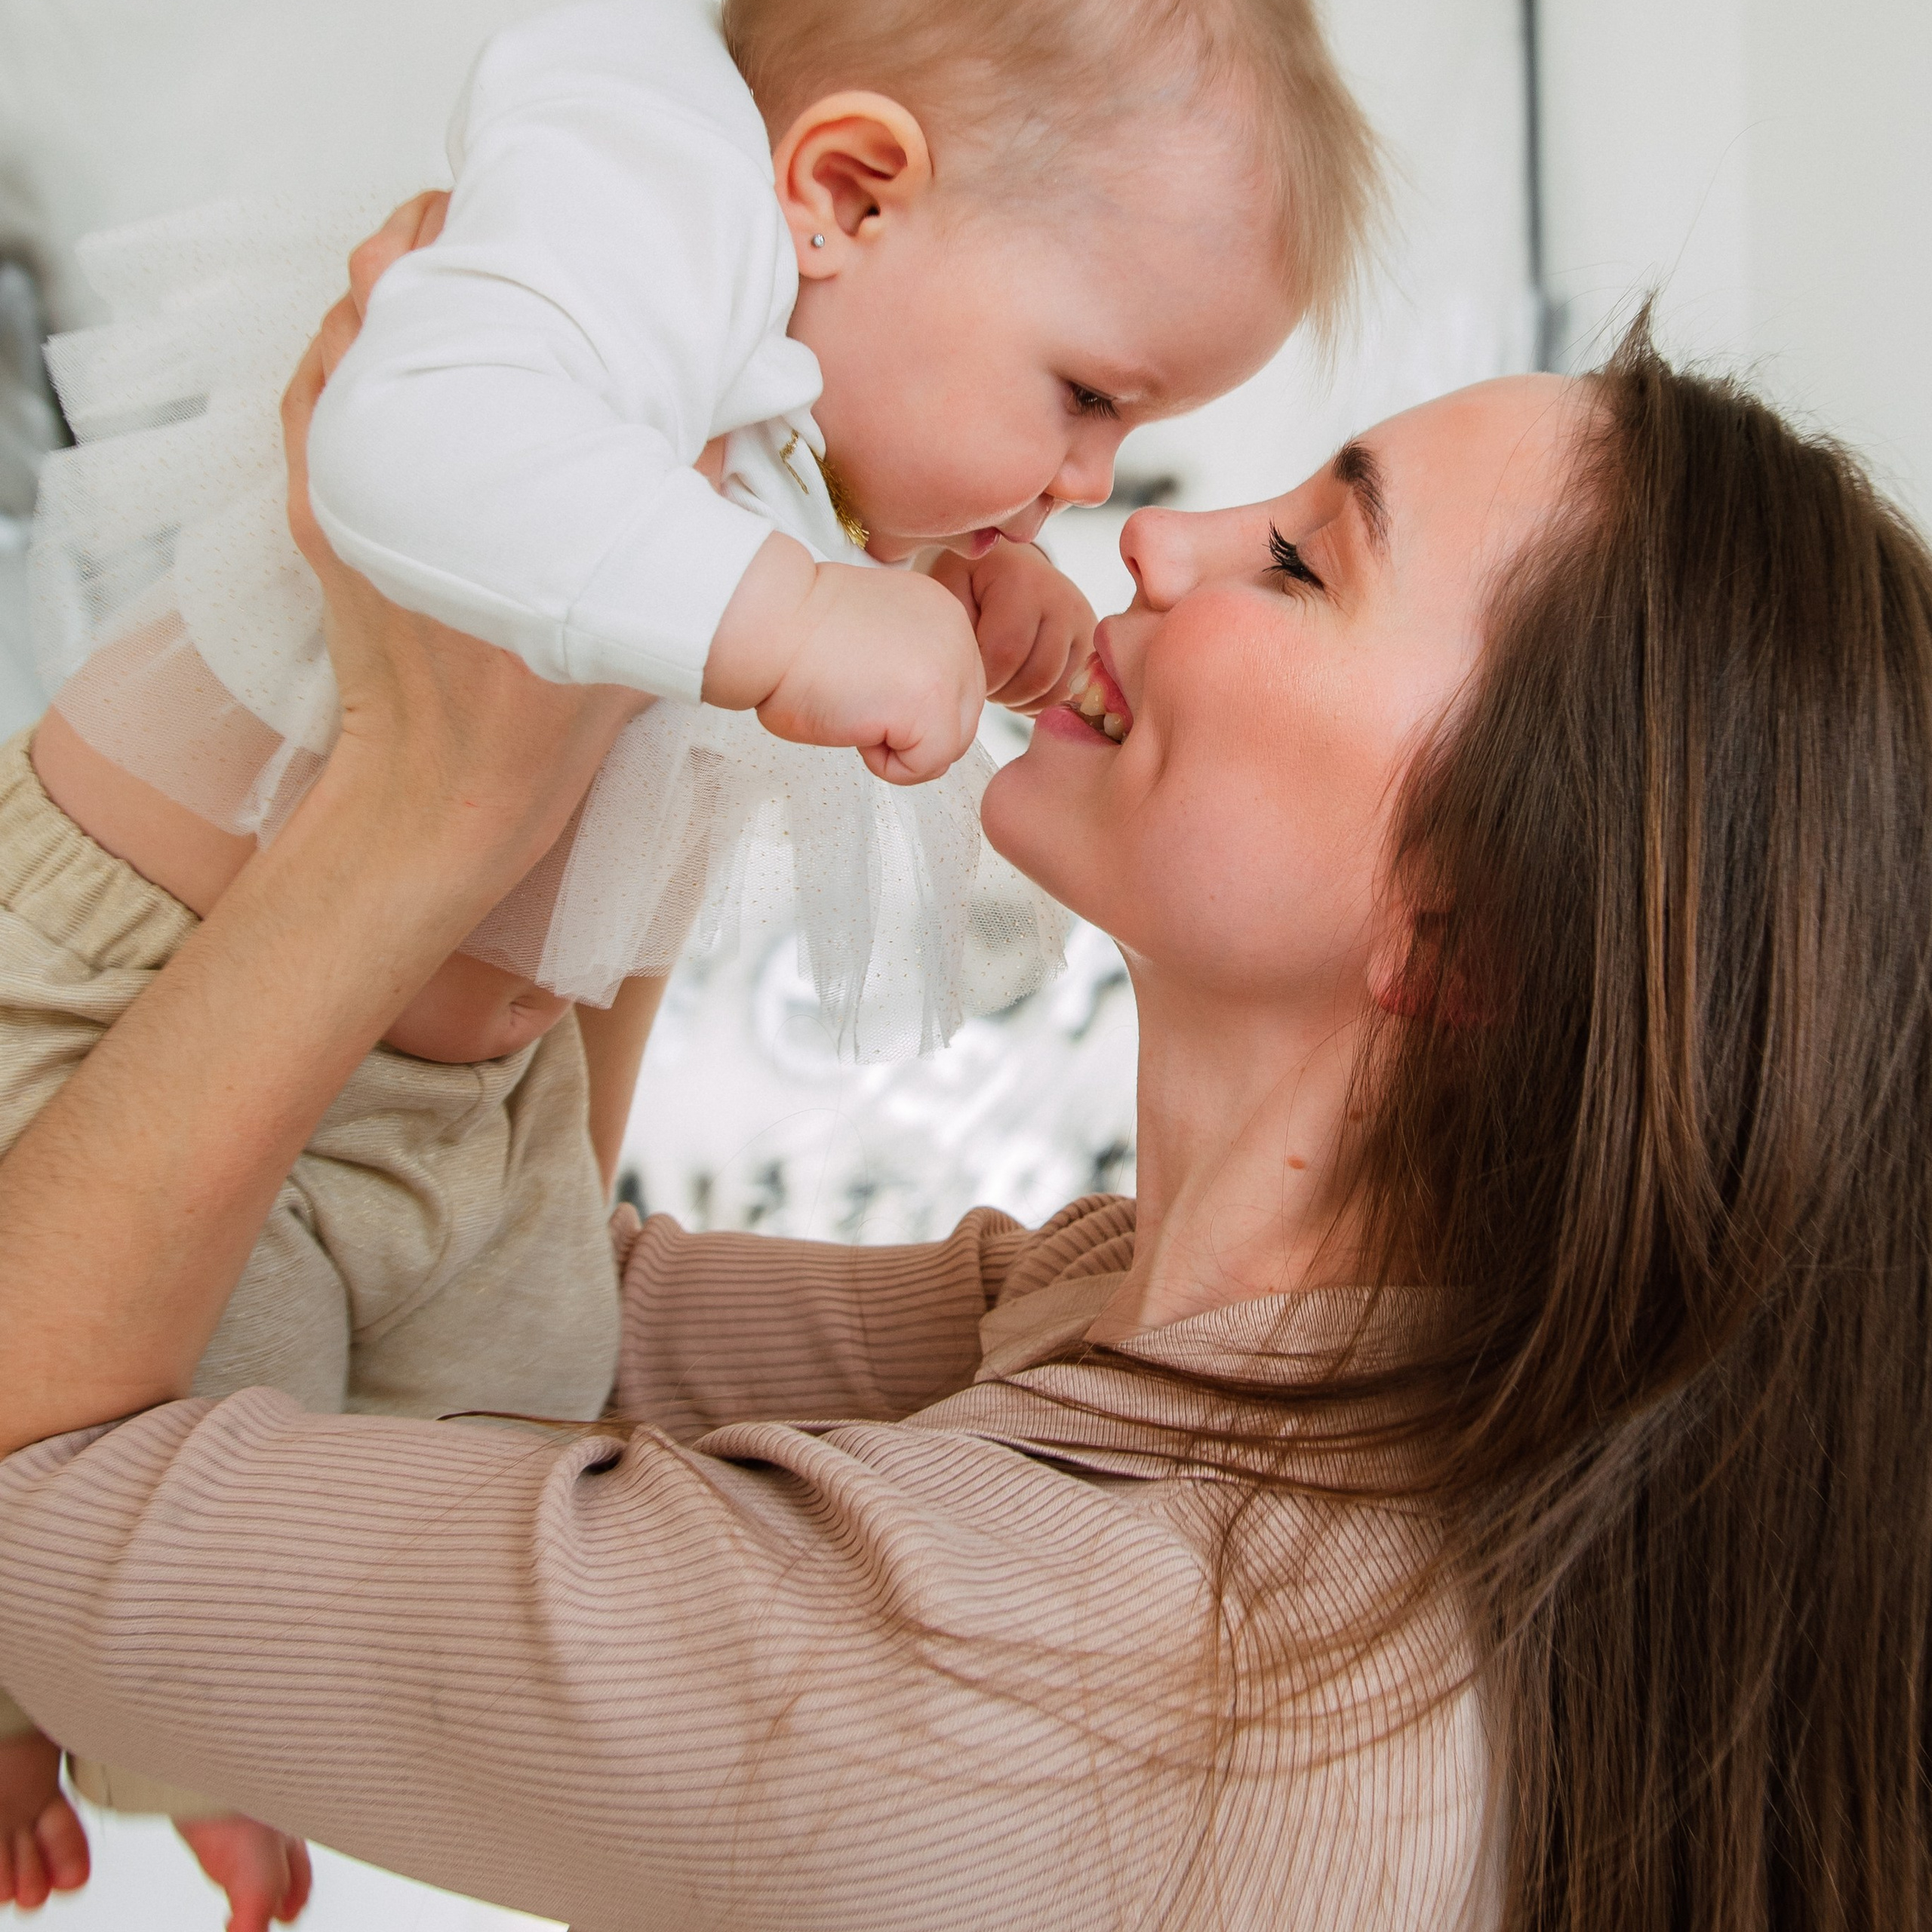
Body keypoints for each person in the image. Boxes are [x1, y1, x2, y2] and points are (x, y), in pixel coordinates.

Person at [3, 279, 1927, 1930]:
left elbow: (30, 1488)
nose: (1159, 542)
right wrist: (669, 669)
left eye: (1297, 560)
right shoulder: (1208, 1356)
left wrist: (428, 797)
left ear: (1465, 935)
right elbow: (487, 1309)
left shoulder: (1077, 1684)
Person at [0, 0, 1379, 1910]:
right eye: (1086, 396)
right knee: (124, 1479)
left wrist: (948, 586)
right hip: (159, 978)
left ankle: (200, 1719)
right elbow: (420, 447)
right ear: (850, 192)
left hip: (466, 1096)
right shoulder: (633, 200)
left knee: (517, 1397)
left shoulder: (823, 346)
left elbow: (746, 552)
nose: (1097, 486)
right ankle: (66, 1702)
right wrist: (799, 615)